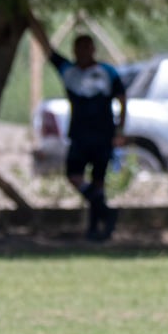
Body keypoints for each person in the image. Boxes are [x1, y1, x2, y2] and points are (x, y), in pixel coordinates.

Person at [33, 24, 127, 241]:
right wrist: (33, 22)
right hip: (79, 135)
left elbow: (122, 100)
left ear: (93, 49)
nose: (83, 52)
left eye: (87, 47)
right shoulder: (69, 71)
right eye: (79, 48)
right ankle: (105, 212)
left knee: (98, 181)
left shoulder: (107, 72)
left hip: (103, 135)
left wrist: (120, 130)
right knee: (73, 175)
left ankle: (95, 230)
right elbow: (47, 48)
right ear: (74, 50)